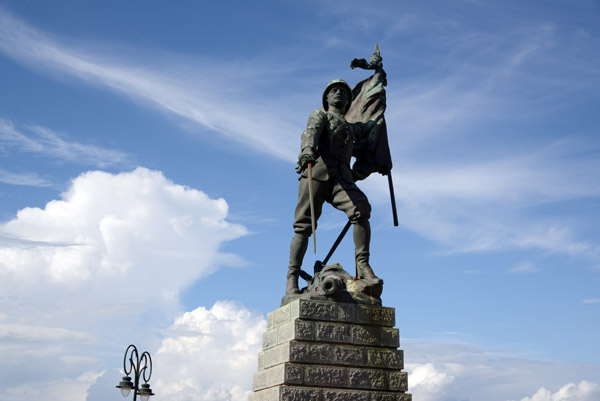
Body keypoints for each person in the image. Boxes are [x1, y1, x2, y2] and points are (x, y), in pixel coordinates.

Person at [286, 79, 383, 295]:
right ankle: (291, 278)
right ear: (327, 98)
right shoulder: (320, 114)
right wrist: (308, 149)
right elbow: (311, 132)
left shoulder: (350, 127)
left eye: (343, 92)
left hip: (341, 180)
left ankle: (363, 267)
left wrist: (378, 100)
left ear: (349, 101)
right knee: (303, 226)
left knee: (361, 210)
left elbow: (370, 128)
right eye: (334, 91)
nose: (339, 93)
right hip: (317, 175)